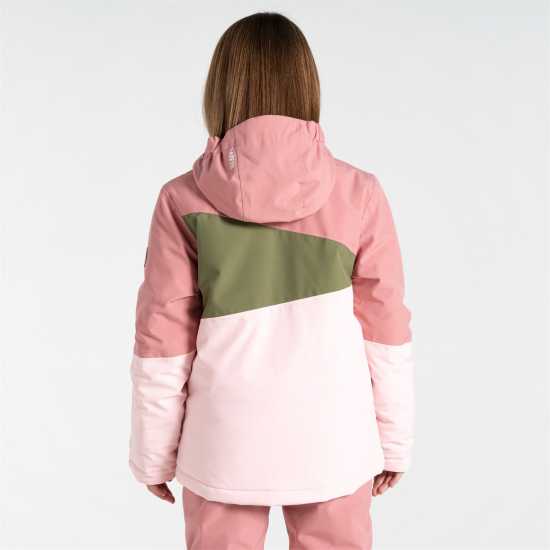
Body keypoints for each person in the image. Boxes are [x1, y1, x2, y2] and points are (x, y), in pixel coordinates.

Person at [129, 11, 414, 550]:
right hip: (333, 439)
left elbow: (163, 341)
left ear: (220, 90)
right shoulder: (360, 193)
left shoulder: (181, 199)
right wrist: (394, 440)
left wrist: (153, 453)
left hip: (223, 442)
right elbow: (386, 330)